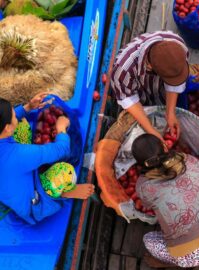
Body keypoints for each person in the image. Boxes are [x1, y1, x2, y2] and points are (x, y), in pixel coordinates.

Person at [132, 134, 199, 268]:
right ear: (164, 146)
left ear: (140, 164)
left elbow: (147, 204)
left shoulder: (143, 186)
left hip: (188, 257)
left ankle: (169, 265)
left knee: (148, 239)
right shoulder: (188, 160)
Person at [0, 93, 94, 224]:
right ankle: (64, 193)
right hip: (34, 205)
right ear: (7, 128)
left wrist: (28, 107)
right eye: (14, 116)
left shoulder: (6, 140)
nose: (16, 115)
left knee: (22, 125)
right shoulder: (18, 155)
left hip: (12, 180)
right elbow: (61, 150)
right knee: (64, 171)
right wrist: (61, 130)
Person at [111, 31, 189, 142]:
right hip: (141, 95)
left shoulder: (177, 45)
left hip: (160, 90)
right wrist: (151, 130)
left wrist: (170, 112)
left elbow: (174, 83)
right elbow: (128, 98)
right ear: (150, 66)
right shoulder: (123, 69)